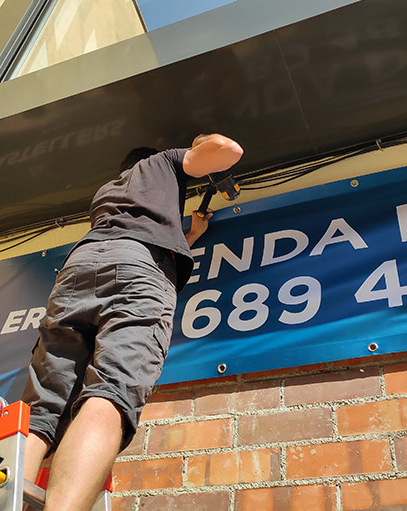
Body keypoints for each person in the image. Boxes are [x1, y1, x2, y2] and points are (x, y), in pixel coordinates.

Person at [21, 133, 244, 510]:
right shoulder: (162, 163)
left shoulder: (110, 192)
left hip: (78, 270)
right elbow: (228, 151)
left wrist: (190, 234)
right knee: (112, 390)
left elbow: (137, 229)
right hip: (136, 268)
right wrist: (199, 144)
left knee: (43, 408)